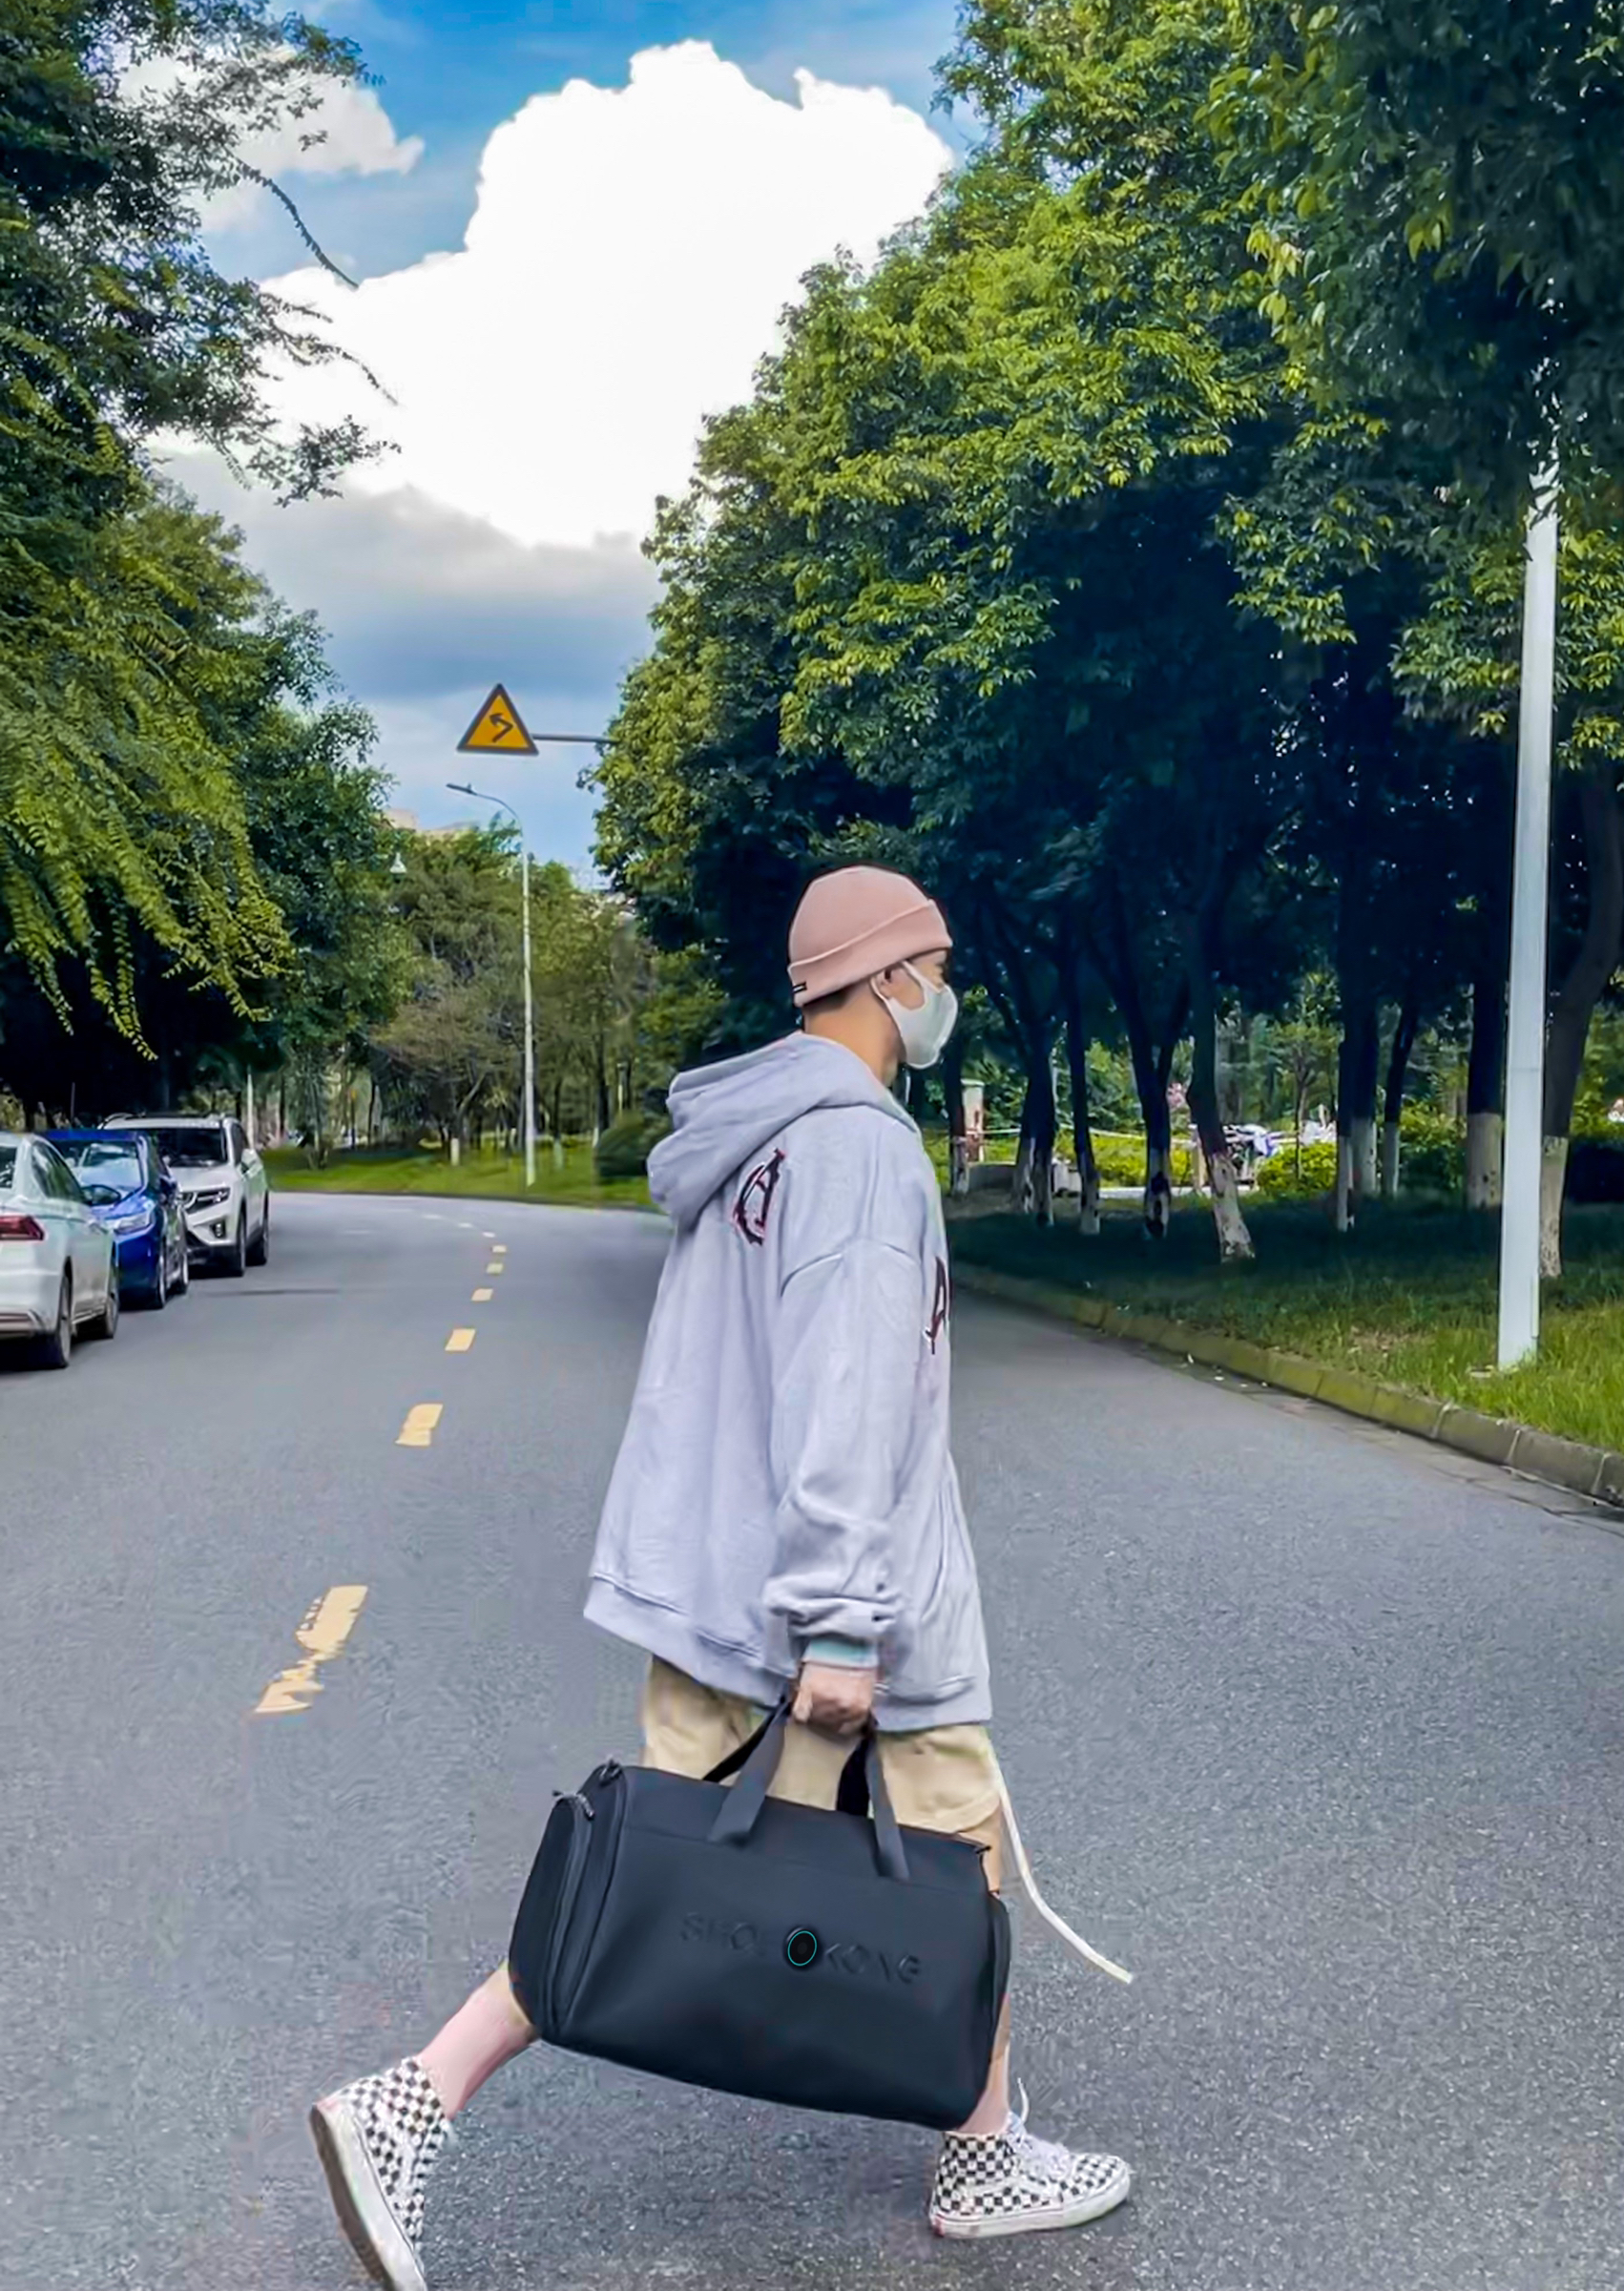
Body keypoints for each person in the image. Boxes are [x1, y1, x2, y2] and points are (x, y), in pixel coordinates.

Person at [310, 865, 1132, 2291]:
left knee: (675, 1863)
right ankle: (413, 2102)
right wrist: (842, 1624)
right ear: (885, 980)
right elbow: (842, 1396)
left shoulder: (753, 1143)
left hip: (725, 1588)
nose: (945, 993)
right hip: (828, 1606)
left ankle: (978, 2137)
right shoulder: (857, 1152)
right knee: (887, 1864)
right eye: (936, 967)